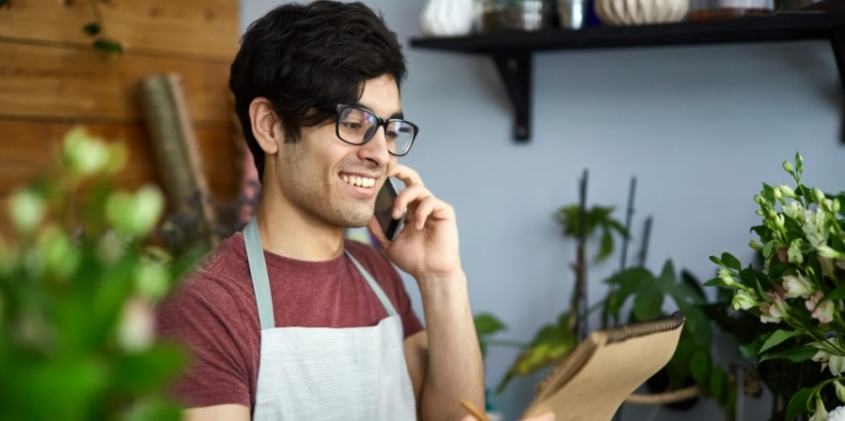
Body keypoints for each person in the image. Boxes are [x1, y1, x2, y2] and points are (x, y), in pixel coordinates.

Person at [156, 2, 553, 420]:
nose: (381, 154)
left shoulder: (377, 274)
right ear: (269, 126)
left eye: (390, 128)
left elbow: (454, 418)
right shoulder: (204, 306)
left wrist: (441, 278)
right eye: (353, 123)